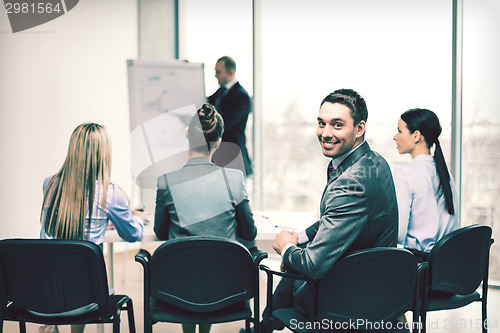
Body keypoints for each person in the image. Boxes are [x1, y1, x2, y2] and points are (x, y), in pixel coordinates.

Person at [264, 89, 398, 332]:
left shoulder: (350, 182)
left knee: (288, 270)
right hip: (382, 286)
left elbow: (314, 265)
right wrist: (300, 238)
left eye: (337, 125)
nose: (325, 133)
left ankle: (262, 328)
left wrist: (286, 249)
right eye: (321, 123)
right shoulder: (375, 161)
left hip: (349, 297)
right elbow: (335, 219)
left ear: (359, 129)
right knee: (295, 257)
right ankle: (263, 328)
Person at [154, 103, 257, 333]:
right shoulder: (234, 178)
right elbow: (249, 232)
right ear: (218, 142)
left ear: (187, 134)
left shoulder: (165, 181)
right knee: (208, 268)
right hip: (225, 287)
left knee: (191, 270)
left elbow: (161, 233)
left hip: (177, 288)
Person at [39, 123, 145, 333]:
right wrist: (137, 218)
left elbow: (69, 220)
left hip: (49, 289)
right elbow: (133, 234)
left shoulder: (49, 184)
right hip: (87, 295)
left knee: (70, 274)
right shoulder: (110, 195)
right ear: (103, 154)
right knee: (83, 283)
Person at [393, 108, 459, 261]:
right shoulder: (445, 174)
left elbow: (399, 234)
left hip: (419, 267)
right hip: (446, 266)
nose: (395, 137)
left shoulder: (404, 174)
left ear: (416, 135)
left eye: (400, 131)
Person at [208, 56, 253, 177]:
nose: (215, 75)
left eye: (219, 72)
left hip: (234, 158)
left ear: (231, 72)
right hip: (221, 158)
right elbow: (205, 102)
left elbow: (224, 123)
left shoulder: (241, 96)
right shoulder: (221, 92)